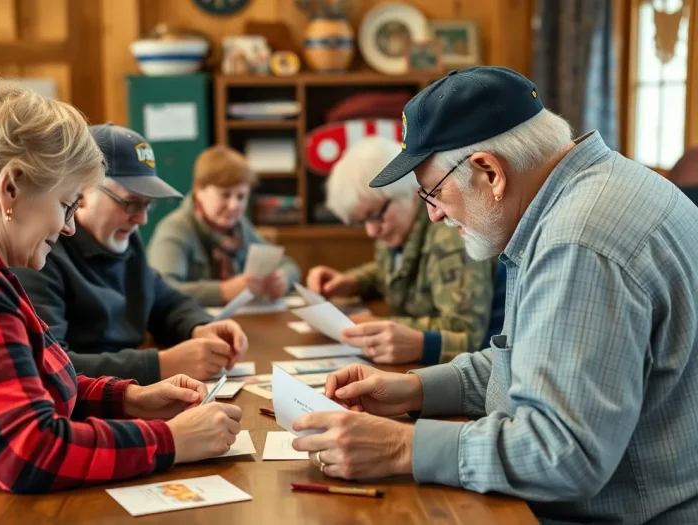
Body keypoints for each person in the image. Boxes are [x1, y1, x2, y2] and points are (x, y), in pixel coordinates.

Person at [291, 67, 698, 524]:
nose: (434, 216)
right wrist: (416, 389)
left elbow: (562, 455)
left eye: (434, 193)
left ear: (489, 171)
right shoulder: (588, 193)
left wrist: (398, 445)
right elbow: (535, 359)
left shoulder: (577, 243)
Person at [0, 73, 242, 524]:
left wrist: (127, 399)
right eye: (66, 205)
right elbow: (28, 452)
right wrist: (169, 439)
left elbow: (31, 383)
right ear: (11, 187)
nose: (70, 227)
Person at [12, 125, 248, 386]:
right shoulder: (41, 255)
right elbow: (52, 365)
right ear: (82, 193)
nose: (142, 219)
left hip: (127, 397)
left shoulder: (126, 240)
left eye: (148, 204)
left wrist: (200, 327)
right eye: (132, 202)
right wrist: (162, 365)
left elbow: (167, 301)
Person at [306, 136, 494, 364]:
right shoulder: (398, 227)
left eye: (375, 216)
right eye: (362, 221)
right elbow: (397, 270)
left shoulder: (450, 236)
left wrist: (377, 324)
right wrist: (352, 282)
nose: (371, 231)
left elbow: (465, 334)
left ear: (407, 190)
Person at [147, 144, 300, 307]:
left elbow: (289, 266)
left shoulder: (239, 227)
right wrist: (222, 291)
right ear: (199, 189)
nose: (234, 205)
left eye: (241, 196)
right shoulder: (175, 228)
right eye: (225, 195)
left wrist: (282, 279)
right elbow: (162, 288)